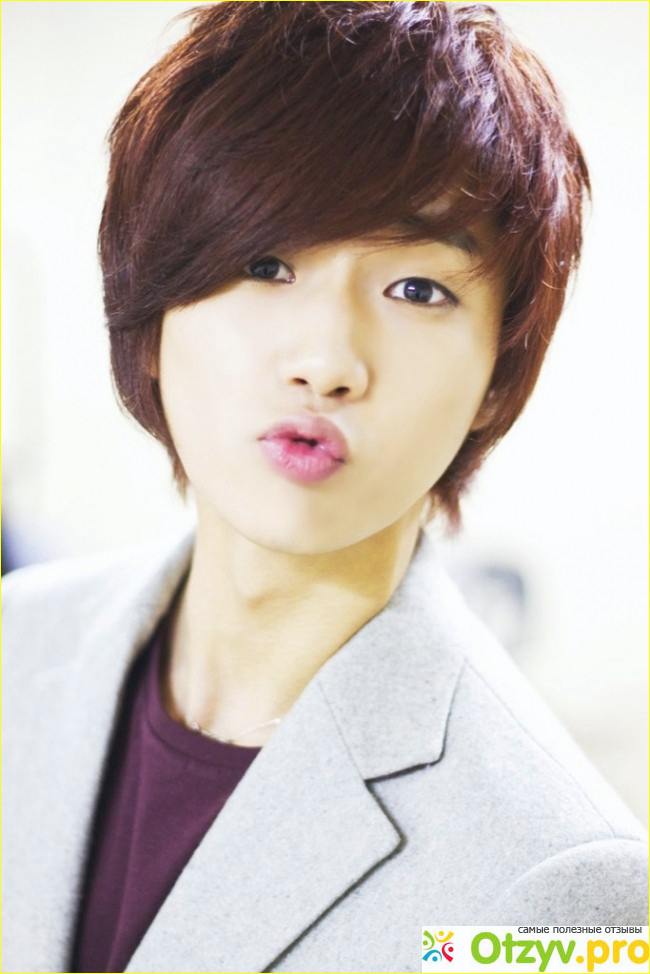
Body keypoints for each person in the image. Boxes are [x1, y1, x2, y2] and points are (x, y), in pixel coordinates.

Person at [2, 3, 647, 972]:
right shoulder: (17, 642)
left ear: (495, 374)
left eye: (418, 290)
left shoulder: (571, 890)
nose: (327, 360)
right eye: (265, 263)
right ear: (151, 305)